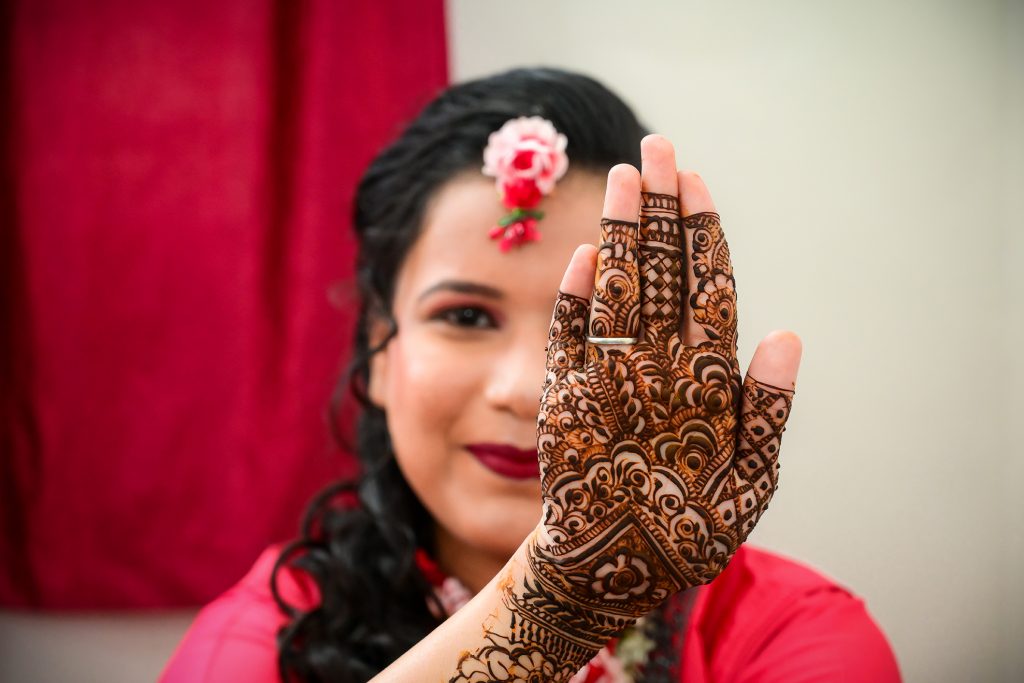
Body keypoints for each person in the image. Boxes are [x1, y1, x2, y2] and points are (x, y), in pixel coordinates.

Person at [160, 67, 900, 682]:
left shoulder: (787, 633)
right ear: (379, 349)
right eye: (467, 317)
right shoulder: (262, 638)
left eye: (584, 329)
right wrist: (552, 611)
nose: (523, 390)